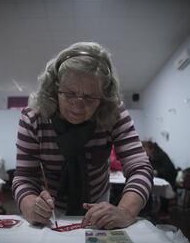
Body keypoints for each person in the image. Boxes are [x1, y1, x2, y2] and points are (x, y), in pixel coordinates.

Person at [12, 42, 153, 229]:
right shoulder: (33, 118)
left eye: (90, 97)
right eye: (69, 94)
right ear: (54, 89)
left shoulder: (113, 112)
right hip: (50, 207)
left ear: (103, 97)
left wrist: (125, 211)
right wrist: (30, 206)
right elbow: (24, 177)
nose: (77, 105)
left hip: (98, 202)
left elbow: (140, 167)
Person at [142, 140, 177, 216]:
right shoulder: (152, 155)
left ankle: (164, 213)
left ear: (151, 149)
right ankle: (153, 211)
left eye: (145, 150)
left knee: (164, 195)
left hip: (169, 175)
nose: (144, 153)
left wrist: (157, 172)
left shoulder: (160, 154)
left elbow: (168, 168)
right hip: (162, 175)